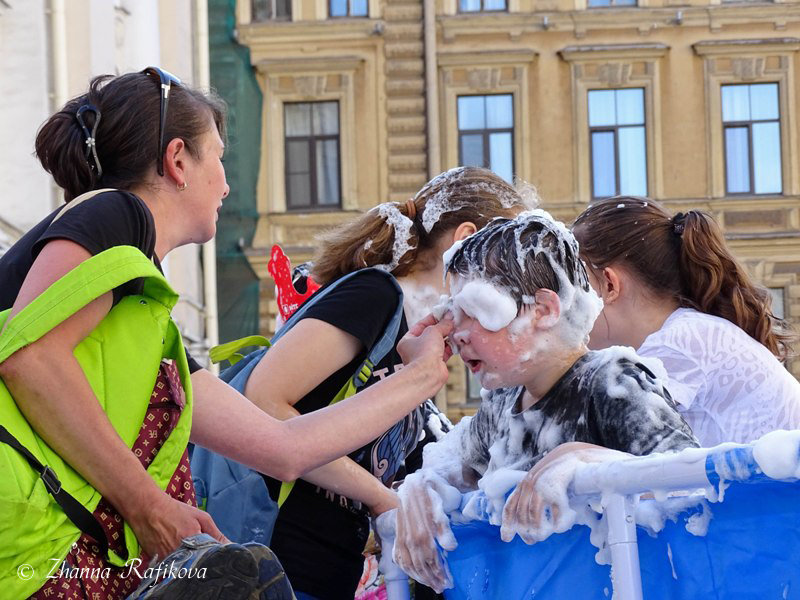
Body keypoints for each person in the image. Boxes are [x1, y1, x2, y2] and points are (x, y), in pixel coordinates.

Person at [0, 68, 451, 600]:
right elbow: (29, 356)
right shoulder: (115, 212)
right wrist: (148, 505)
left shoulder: (146, 316)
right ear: (177, 161)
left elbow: (282, 448)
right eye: (218, 156)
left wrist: (423, 375)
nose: (227, 183)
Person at [240, 166, 533, 600]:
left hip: (323, 572)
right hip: (275, 560)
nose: (510, 285)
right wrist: (379, 497)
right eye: (504, 261)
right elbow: (263, 403)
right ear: (464, 238)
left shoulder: (419, 336)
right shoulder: (375, 295)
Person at [390, 211, 699, 592]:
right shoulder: (501, 404)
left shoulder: (613, 380)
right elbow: (453, 466)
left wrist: (588, 459)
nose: (456, 334)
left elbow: (692, 487)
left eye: (473, 312)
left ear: (544, 310)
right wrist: (421, 488)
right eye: (453, 314)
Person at [572, 197, 800, 446]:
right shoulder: (692, 332)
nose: (562, 304)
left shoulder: (681, 342)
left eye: (570, 283)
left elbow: (603, 439)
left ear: (609, 284)